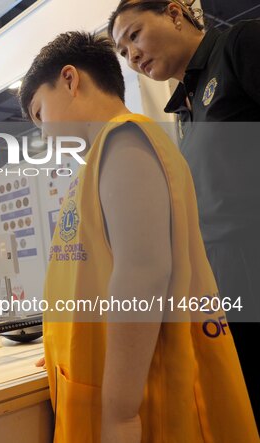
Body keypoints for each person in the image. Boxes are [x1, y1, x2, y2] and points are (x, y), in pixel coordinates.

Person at [18, 31, 258, 441]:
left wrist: (121, 413)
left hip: (147, 401)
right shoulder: (100, 159)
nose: (43, 135)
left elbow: (142, 275)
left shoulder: (125, 140)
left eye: (40, 114)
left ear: (71, 80)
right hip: (108, 383)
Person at [108, 0, 260, 426]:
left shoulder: (240, 45)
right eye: (123, 52)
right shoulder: (185, 109)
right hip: (226, 289)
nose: (132, 56)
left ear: (175, 13)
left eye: (135, 35)